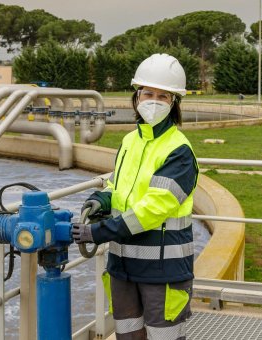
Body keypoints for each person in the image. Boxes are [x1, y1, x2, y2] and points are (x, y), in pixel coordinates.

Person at [72, 53, 199, 340]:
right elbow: (119, 188)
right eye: (147, 93)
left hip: (163, 272)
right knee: (127, 335)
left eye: (162, 96)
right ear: (136, 96)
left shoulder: (178, 151)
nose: (153, 101)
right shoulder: (131, 141)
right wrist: (101, 200)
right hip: (122, 267)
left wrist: (97, 232)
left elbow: (151, 210)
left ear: (174, 103)